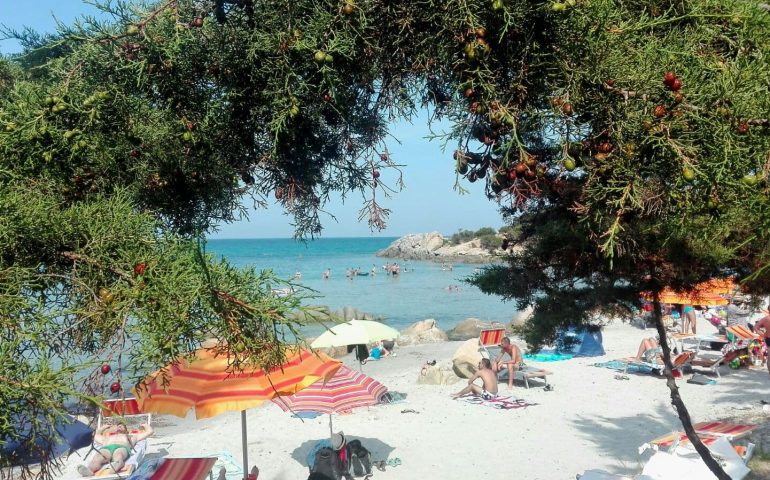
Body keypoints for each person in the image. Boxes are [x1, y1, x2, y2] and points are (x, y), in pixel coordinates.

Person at [77, 422, 153, 476]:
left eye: (122, 426)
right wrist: (103, 428)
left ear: (126, 430)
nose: (119, 427)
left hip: (122, 447)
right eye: (118, 426)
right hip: (106, 448)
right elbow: (95, 435)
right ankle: (89, 470)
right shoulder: (107, 437)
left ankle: (118, 464)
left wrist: (145, 425)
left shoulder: (132, 436)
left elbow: (150, 432)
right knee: (97, 457)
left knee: (119, 455)